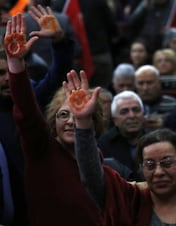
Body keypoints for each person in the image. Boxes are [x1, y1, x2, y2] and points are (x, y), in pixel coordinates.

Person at [64, 69, 176, 224]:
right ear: (141, 168)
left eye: (166, 163)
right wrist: (83, 123)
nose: (159, 172)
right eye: (150, 165)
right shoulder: (130, 201)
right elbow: (92, 176)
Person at [7, 13, 104, 225]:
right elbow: (27, 110)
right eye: (63, 114)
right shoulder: (41, 149)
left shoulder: (100, 159)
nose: (70, 121)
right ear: (51, 121)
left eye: (78, 114)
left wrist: (60, 42)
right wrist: (15, 65)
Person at [0, 6, 76, 225]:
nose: (7, 79)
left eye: (10, 71)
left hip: (43, 203)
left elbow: (58, 78)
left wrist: (60, 42)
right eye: (0, 74)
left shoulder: (31, 99)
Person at [98, 90, 146, 181]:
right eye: (124, 112)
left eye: (136, 110)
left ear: (143, 114)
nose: (131, 115)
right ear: (115, 119)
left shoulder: (156, 140)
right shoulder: (102, 145)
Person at [134, 64, 176, 130]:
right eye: (140, 83)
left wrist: (166, 123)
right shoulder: (130, 106)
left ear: (159, 83)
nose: (145, 88)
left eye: (149, 83)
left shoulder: (174, 104)